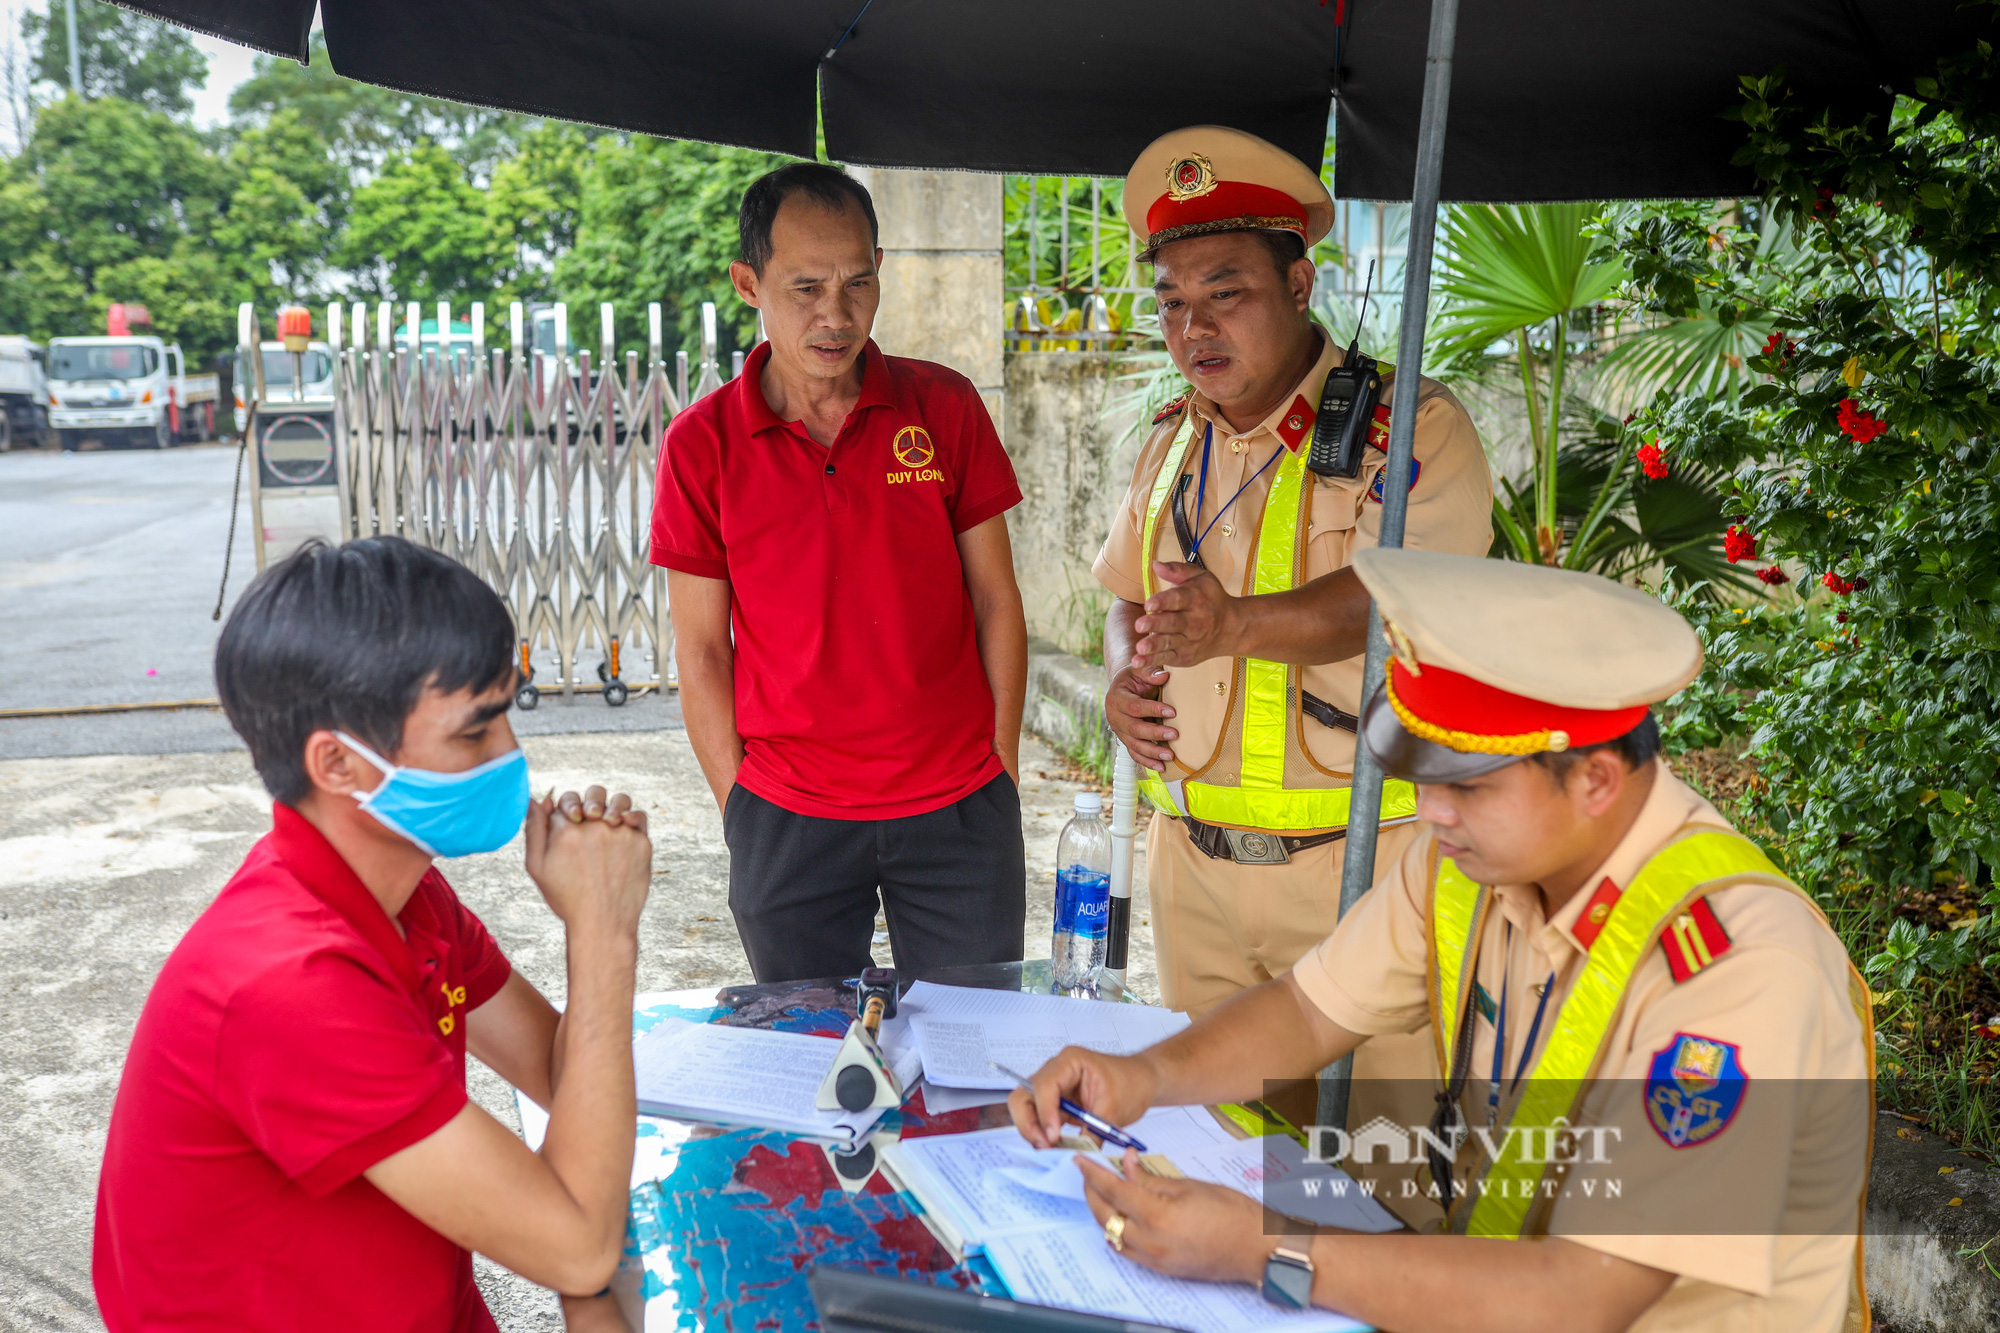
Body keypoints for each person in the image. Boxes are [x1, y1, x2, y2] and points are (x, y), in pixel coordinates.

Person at [1015, 549, 1875, 1333]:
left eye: (1469, 786)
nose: (1432, 813)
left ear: (1598, 779)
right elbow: (1310, 1011)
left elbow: (1582, 1295)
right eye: (1424, 775)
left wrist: (1260, 1248)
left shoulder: (1742, 970)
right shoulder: (1472, 858)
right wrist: (1146, 1075)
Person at [94, 537, 653, 1333]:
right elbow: (578, 1249)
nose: (513, 757)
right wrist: (603, 935)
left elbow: (560, 1074)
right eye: (475, 733)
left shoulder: (407, 896)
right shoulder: (286, 983)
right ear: (339, 764)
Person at [1094, 126, 1492, 1024]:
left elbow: (1404, 603)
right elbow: (1126, 595)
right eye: (1171, 303)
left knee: (1374, 1156)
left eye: (1225, 293)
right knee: (1220, 1151)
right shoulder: (1169, 440)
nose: (1195, 327)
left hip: (1365, 862)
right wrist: (1123, 672)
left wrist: (1235, 625)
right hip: (1191, 874)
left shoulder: (1413, 425)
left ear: (1299, 285)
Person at [653, 162, 1029, 984]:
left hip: (959, 806)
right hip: (788, 816)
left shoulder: (945, 407)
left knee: (974, 1066)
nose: (836, 313)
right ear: (749, 283)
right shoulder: (701, 445)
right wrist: (741, 809)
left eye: (858, 282)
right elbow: (702, 653)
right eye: (806, 287)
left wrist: (998, 764)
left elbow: (997, 599)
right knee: (810, 1071)